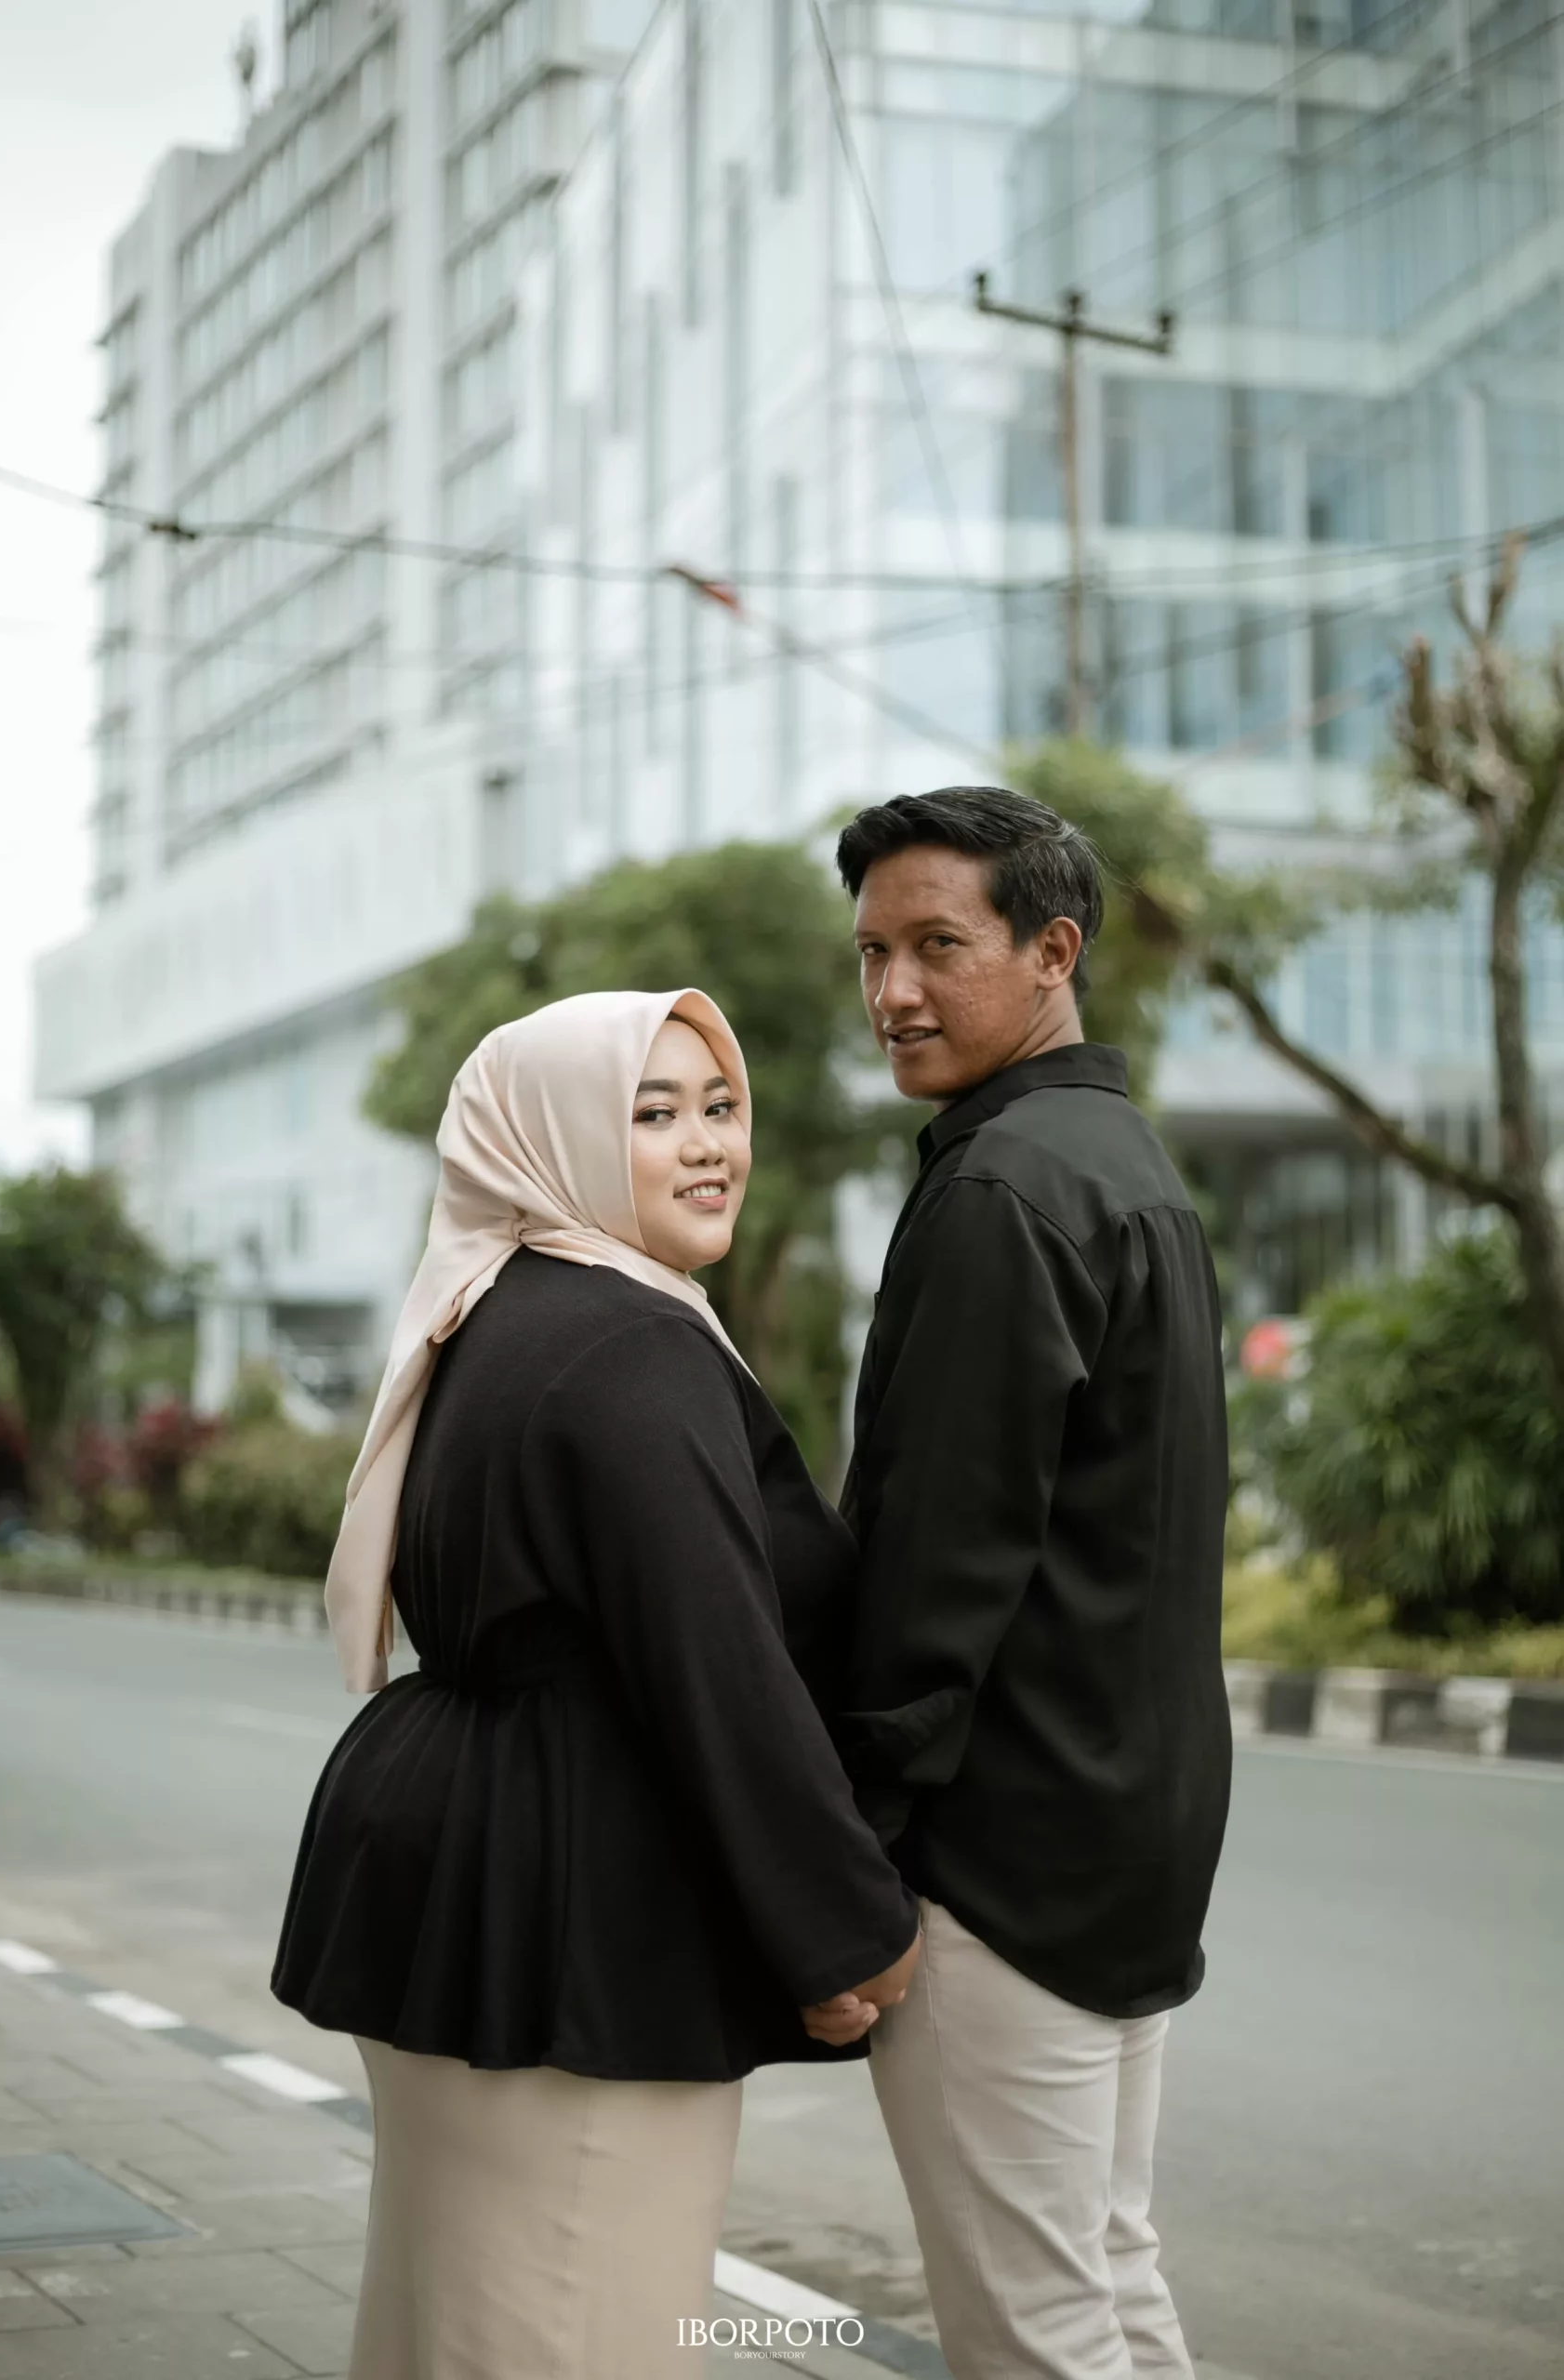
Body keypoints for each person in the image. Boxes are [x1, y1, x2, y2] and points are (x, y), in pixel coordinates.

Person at [272, 987, 920, 2380]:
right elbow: (716, 1672)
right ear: (553, 1136)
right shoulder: (628, 1344)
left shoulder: (497, 1311)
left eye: (720, 1107)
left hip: (471, 1871)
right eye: (653, 1113)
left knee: (452, 2325)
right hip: (576, 1915)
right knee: (587, 2332)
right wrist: (841, 1933)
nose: (708, 1145)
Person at [832, 788, 1231, 2380]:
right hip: (1127, 1833)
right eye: (870, 953)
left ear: (1052, 952)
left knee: (1033, 2330)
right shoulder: (1117, 1161)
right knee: (1104, 2280)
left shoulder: (1002, 1190)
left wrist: (852, 1857)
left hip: (1000, 1867)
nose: (892, 992)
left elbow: (938, 1562)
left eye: (938, 946)